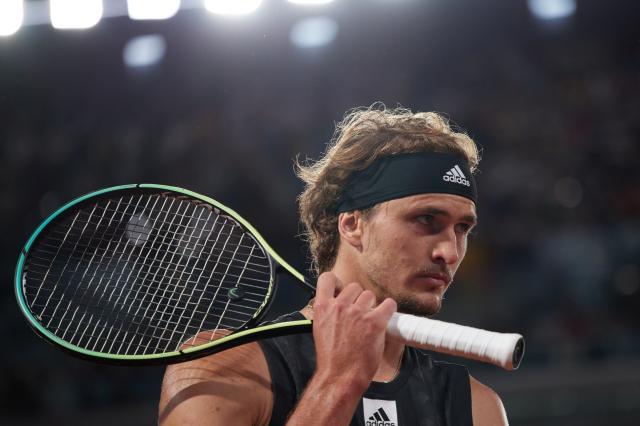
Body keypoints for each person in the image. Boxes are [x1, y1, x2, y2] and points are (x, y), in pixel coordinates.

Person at [158, 105, 509, 425]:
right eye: (426, 219)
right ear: (353, 225)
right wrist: (339, 382)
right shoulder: (222, 367)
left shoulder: (478, 408)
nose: (450, 252)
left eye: (462, 228)